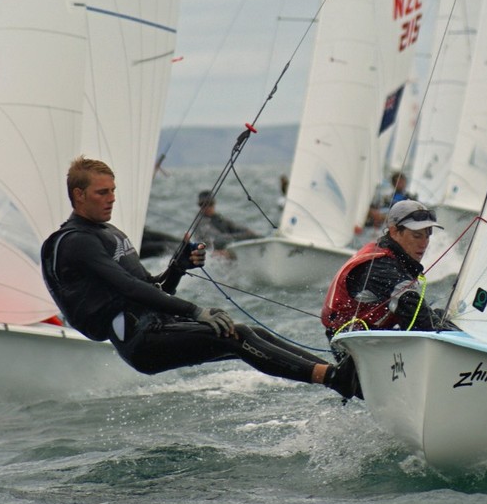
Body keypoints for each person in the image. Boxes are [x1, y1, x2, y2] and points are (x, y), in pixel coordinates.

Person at [41, 156, 358, 399]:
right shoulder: (76, 242)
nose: (111, 198)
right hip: (140, 341)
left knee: (244, 330)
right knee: (237, 338)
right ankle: (334, 379)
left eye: (113, 191)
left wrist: (179, 266)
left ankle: (335, 373)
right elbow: (129, 288)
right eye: (102, 192)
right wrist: (195, 311)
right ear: (79, 195)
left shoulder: (109, 232)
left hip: (156, 325)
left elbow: (153, 288)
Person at [323, 199, 452, 345]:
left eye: (427, 236)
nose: (423, 244)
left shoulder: (393, 257)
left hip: (375, 340)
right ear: (394, 231)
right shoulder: (381, 267)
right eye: (417, 236)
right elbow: (422, 321)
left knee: (445, 317)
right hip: (352, 346)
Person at [193, 190, 259, 250]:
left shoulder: (218, 218)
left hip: (225, 247)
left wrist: (251, 234)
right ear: (199, 206)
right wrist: (245, 235)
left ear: (214, 204)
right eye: (203, 205)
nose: (207, 207)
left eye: (210, 204)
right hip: (208, 253)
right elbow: (218, 239)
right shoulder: (200, 222)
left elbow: (238, 228)